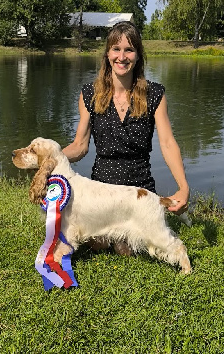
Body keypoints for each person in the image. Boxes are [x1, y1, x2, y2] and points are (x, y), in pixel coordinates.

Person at [62, 21, 189, 252]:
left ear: (138, 55)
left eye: (129, 49)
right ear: (107, 54)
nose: (122, 56)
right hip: (100, 195)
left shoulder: (155, 94)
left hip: (138, 194)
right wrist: (50, 157)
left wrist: (183, 187)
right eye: (116, 49)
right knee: (95, 245)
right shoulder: (89, 93)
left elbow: (168, 143)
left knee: (127, 249)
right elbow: (80, 146)